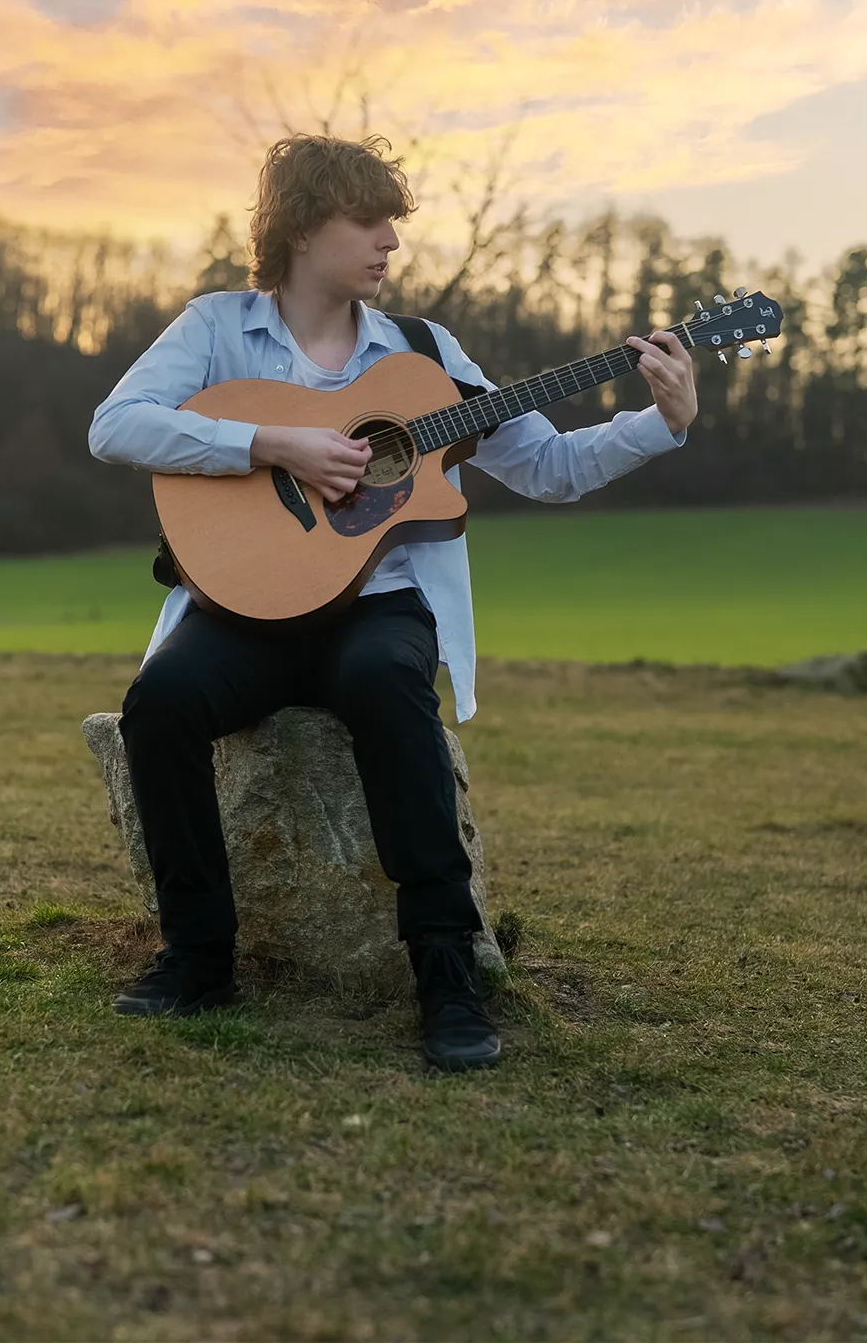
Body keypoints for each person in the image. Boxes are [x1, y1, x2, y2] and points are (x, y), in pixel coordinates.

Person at [87, 134, 697, 1072]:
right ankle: (199, 958)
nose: (389, 243)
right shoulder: (215, 326)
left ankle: (446, 976)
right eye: (367, 222)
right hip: (247, 606)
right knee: (159, 707)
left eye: (392, 225)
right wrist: (272, 446)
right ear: (301, 228)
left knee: (385, 686)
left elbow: (546, 467)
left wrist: (661, 423)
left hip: (378, 605)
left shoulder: (423, 353)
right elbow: (116, 426)